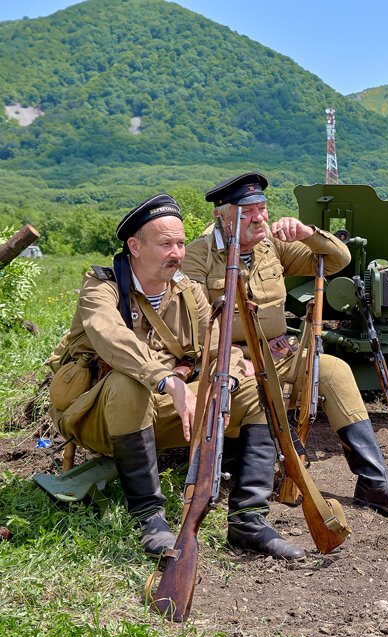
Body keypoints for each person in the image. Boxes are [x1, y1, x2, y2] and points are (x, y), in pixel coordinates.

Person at [47, 194, 304, 560]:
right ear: (134, 247)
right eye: (166, 244)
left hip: (167, 415)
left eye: (181, 243)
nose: (177, 253)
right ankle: (148, 516)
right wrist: (168, 380)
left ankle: (248, 519)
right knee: (129, 381)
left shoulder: (188, 291)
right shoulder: (101, 287)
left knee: (253, 388)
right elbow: (112, 339)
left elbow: (220, 345)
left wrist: (226, 379)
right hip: (98, 417)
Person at [182, 173, 388, 517]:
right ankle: (251, 497)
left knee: (335, 370)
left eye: (262, 209)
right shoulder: (198, 256)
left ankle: (374, 481)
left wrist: (308, 234)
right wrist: (233, 360)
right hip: (231, 361)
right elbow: (194, 324)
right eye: (247, 212)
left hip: (279, 355)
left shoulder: (272, 246)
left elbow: (339, 260)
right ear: (222, 215)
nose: (259, 218)